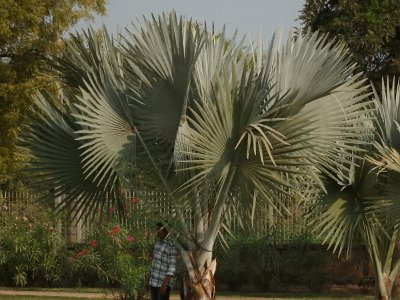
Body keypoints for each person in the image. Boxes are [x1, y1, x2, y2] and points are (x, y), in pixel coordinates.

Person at [149, 222, 178, 300]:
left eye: (159, 229)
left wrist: (164, 285)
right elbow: (155, 263)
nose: (157, 231)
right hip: (154, 283)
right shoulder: (158, 244)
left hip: (163, 285)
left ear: (166, 230)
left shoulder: (171, 245)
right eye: (157, 229)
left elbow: (172, 267)